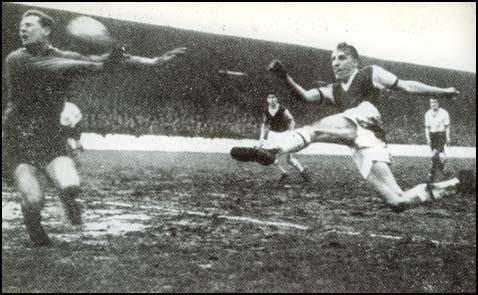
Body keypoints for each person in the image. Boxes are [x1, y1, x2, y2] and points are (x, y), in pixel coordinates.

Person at [2, 9, 186, 246]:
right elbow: (65, 67)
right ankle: (36, 230)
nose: (22, 29)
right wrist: (106, 61)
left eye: (28, 25)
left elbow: (93, 61)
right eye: (21, 26)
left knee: (70, 186)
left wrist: (152, 61)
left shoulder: (61, 54)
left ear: (46, 30)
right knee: (33, 199)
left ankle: (67, 200)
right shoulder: (17, 59)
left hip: (50, 138)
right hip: (19, 139)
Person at [232, 42, 460, 213]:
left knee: (315, 129)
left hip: (366, 121)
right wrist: (285, 78)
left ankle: (272, 150)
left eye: (341, 58)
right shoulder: (335, 89)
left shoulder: (369, 73)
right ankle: (457, 185)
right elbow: (305, 96)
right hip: (367, 143)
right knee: (397, 201)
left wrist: (443, 92)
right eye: (332, 59)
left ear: (354, 61)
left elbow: (406, 86)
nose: (335, 63)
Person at [258, 93, 309, 182]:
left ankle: (303, 172)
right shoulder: (266, 111)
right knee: (269, 156)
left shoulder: (282, 109)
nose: (272, 99)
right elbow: (264, 125)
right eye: (269, 97)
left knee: (289, 159)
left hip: (285, 134)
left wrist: (291, 133)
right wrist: (262, 139)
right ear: (267, 100)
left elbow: (291, 120)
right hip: (273, 135)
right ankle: (283, 173)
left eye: (273, 97)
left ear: (277, 99)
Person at [425, 98, 451, 183]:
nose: (433, 104)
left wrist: (448, 137)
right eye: (431, 102)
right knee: (436, 157)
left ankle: (430, 175)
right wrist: (428, 138)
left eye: (435, 102)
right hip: (433, 136)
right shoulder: (428, 113)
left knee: (433, 155)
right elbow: (427, 128)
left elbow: (447, 126)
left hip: (441, 135)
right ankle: (444, 171)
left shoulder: (444, 113)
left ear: (438, 103)